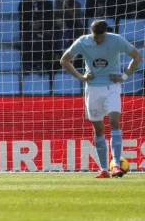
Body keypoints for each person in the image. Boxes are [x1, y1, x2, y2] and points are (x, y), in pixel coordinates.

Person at [60, 20, 143, 178]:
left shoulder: (116, 40)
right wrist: (82, 77)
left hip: (112, 87)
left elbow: (137, 57)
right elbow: (64, 60)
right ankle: (104, 169)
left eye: (101, 37)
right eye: (95, 37)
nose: (98, 40)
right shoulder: (83, 41)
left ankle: (116, 165)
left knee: (114, 122)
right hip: (92, 88)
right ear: (91, 33)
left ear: (106, 33)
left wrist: (124, 76)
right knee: (98, 129)